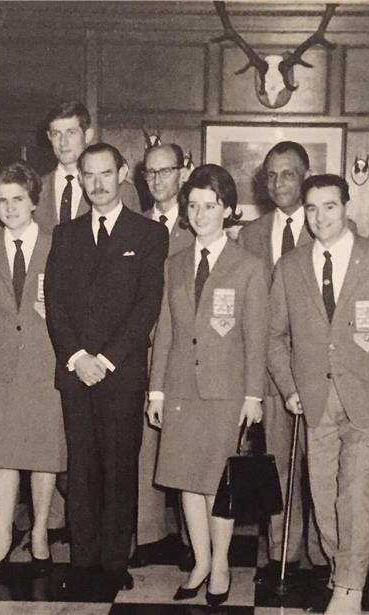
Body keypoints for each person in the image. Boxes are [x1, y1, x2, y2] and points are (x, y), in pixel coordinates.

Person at [268, 174, 369, 615]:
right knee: (324, 497)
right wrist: (290, 387)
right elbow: (275, 337)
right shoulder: (290, 266)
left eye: (329, 206)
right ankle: (342, 569)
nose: (320, 217)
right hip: (315, 402)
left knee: (355, 494)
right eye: (311, 208)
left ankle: (349, 587)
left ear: (346, 206)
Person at [44, 142, 168, 591]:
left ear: (121, 175)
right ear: (80, 179)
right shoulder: (66, 234)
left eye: (104, 174)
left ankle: (115, 563)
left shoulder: (148, 234)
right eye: (87, 176)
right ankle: (83, 562)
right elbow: (55, 305)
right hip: (76, 371)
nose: (97, 184)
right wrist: (78, 358)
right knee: (82, 467)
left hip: (122, 372)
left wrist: (107, 360)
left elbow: (146, 307)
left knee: (119, 467)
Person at [147, 164, 268, 606]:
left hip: (225, 391)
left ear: (228, 210)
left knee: (218, 483)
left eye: (210, 206)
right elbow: (165, 329)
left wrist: (253, 395)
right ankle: (199, 560)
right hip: (180, 389)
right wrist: (156, 390)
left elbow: (257, 336)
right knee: (185, 481)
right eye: (193, 205)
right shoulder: (174, 264)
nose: (200, 214)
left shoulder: (249, 267)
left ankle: (220, 566)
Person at [0, 162, 66, 576]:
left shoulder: (57, 244)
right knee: (1, 457)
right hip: (0, 365)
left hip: (47, 364)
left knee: (43, 456)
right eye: (1, 201)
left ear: (34, 202)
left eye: (18, 199)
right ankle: (3, 537)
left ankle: (40, 533)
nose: (9, 208)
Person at [236, 141, 327, 584]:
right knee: (275, 467)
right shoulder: (252, 235)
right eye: (270, 175)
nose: (277, 183)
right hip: (269, 372)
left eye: (288, 174)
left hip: (317, 372)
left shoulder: (324, 228)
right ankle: (281, 554)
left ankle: (323, 554)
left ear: (306, 174)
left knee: (323, 468)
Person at [131, 142, 193, 571]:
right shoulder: (134, 227)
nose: (157, 181)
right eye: (149, 173)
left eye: (165, 171)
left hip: (190, 353)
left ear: (183, 172)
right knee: (144, 447)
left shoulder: (202, 223)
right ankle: (149, 534)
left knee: (190, 448)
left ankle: (195, 541)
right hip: (145, 349)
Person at [34, 101, 140, 233]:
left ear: (88, 135)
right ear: (49, 137)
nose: (63, 142)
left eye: (71, 132)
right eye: (56, 134)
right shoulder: (35, 188)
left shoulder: (122, 190)